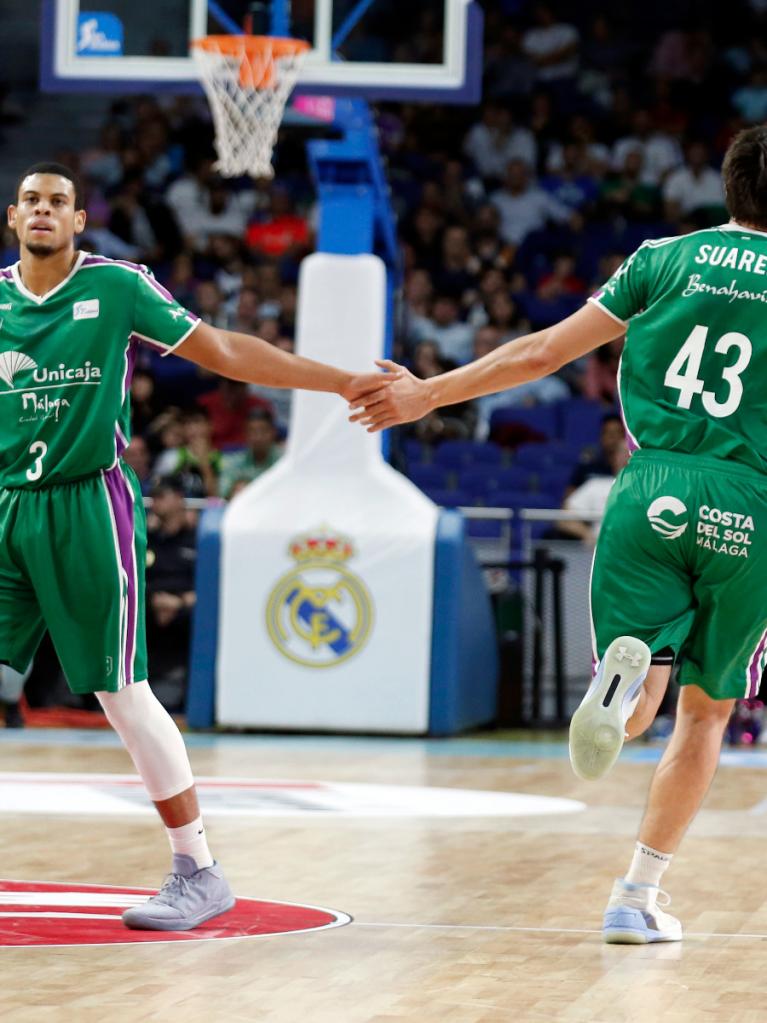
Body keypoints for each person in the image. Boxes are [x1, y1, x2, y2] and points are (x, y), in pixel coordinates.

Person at [351, 125, 767, 948]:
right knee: (707, 713)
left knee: (645, 690)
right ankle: (634, 894)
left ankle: (623, 688)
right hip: (749, 499)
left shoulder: (659, 257)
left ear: (726, 186)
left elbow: (540, 351)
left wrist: (427, 393)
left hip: (648, 486)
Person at [2, 161, 386, 931]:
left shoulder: (116, 285)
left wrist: (338, 380)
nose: (44, 211)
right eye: (31, 201)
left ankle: (198, 869)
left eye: (59, 202)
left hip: (86, 503)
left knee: (121, 693)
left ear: (79, 221)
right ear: (13, 218)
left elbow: (228, 352)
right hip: (8, 502)